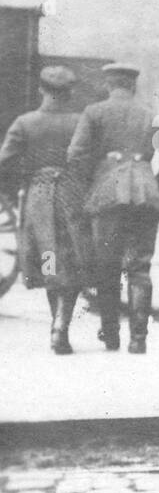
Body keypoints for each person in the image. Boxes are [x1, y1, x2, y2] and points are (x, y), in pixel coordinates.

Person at [68, 63, 159, 354]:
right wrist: (156, 187)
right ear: (133, 86)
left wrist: (91, 186)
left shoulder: (94, 113)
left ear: (108, 85)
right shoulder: (152, 116)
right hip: (145, 195)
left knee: (106, 266)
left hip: (107, 195)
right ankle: (139, 338)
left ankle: (110, 334)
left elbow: (75, 155)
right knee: (140, 267)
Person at [0, 66, 91, 354]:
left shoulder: (25, 123)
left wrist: (13, 190)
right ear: (70, 92)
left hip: (38, 198)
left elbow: (4, 162)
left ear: (41, 89)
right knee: (72, 259)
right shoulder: (81, 122)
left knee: (49, 258)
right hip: (73, 195)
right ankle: (61, 325)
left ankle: (57, 323)